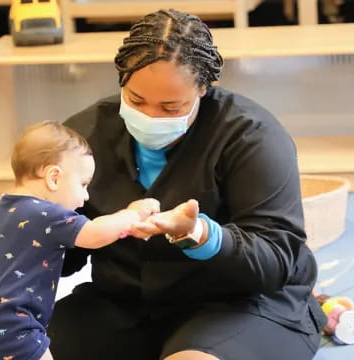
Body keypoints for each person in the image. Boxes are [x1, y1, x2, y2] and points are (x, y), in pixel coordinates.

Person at [47, 8, 327, 360]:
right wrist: (38, 221)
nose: (150, 117)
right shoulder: (83, 136)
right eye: (135, 100)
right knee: (11, 345)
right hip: (126, 303)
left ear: (204, 89)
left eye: (171, 107)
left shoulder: (252, 136)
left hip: (241, 305)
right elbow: (61, 258)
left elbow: (276, 260)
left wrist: (203, 236)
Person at [0, 121, 161, 360]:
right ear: (53, 178)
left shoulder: (0, 206)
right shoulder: (46, 214)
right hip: (14, 330)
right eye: (83, 185)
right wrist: (133, 214)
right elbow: (95, 235)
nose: (85, 197)